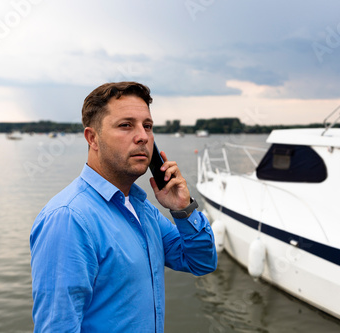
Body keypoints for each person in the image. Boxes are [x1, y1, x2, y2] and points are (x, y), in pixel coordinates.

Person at [30, 81, 217, 332]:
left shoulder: (141, 208)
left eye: (147, 126)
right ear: (92, 138)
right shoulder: (69, 219)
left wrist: (183, 209)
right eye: (126, 125)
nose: (143, 137)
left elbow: (200, 262)